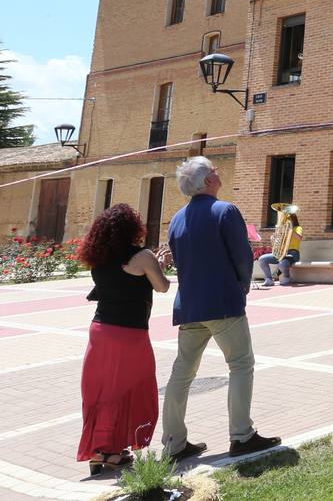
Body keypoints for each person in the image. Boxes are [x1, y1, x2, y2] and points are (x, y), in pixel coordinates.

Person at [161, 157, 280, 460]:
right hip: (222, 303)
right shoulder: (224, 211)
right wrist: (241, 287)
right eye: (214, 170)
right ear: (207, 181)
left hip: (189, 306)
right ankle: (242, 435)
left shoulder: (176, 218)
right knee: (241, 364)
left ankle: (174, 442)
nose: (218, 172)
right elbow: (242, 257)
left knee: (182, 372)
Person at [77, 204, 171, 474]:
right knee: (127, 389)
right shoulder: (142, 256)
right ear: (133, 228)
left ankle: (98, 451)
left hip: (100, 330)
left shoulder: (98, 256)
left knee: (101, 391)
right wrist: (160, 264)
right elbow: (162, 286)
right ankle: (113, 452)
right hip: (129, 333)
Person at [257, 210, 302, 287]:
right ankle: (269, 279)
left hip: (292, 253)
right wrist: (274, 239)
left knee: (282, 263)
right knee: (262, 259)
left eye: (287, 219)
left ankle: (286, 277)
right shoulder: (282, 230)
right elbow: (277, 244)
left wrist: (290, 230)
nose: (285, 221)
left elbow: (299, 238)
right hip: (281, 253)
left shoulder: (298, 228)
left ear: (293, 219)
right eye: (284, 219)